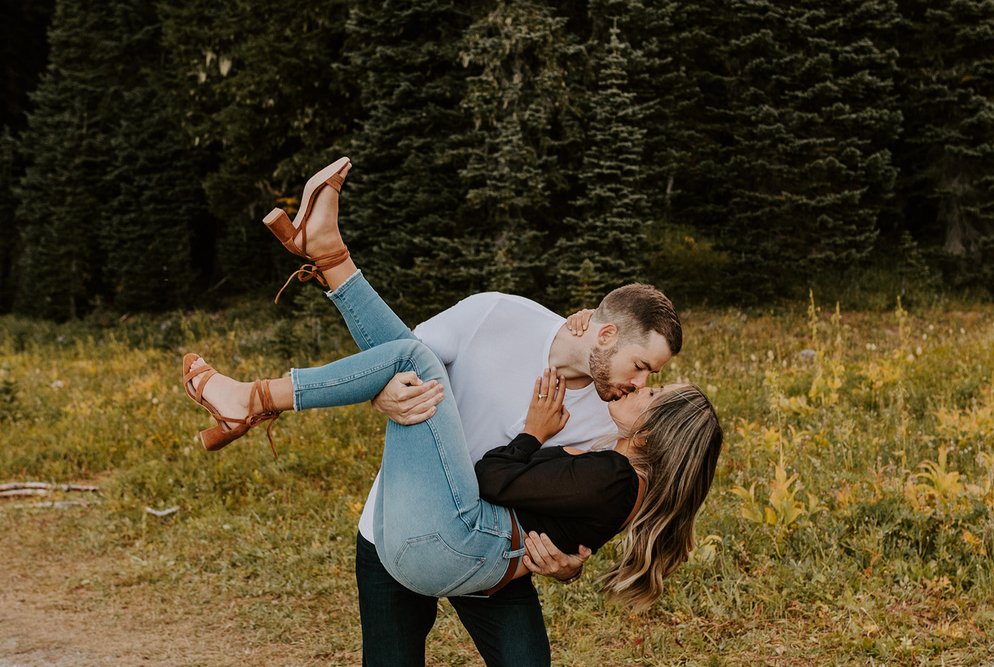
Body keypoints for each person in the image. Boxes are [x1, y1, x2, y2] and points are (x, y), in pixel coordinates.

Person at [185, 157, 720, 665]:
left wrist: (572, 562)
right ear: (605, 333)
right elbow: (390, 362)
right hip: (402, 516)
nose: (641, 383)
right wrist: (378, 394)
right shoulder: (501, 314)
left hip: (484, 541)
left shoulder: (617, 426)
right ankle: (324, 261)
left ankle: (323, 267)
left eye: (651, 379)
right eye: (641, 365)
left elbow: (591, 505)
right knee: (413, 359)